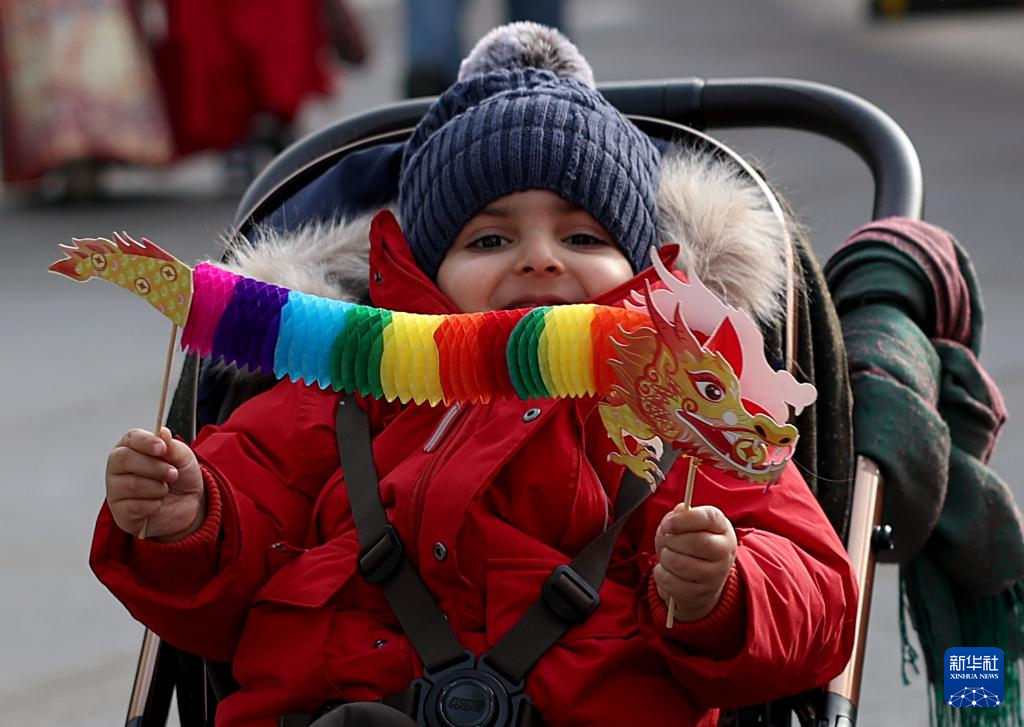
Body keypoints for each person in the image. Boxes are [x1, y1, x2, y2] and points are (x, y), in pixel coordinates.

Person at [91, 23, 858, 727]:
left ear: (640, 269)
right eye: (490, 240)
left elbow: (816, 591)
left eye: (582, 237)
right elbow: (234, 550)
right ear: (425, 271)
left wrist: (722, 589)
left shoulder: (679, 404)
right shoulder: (339, 392)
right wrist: (187, 519)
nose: (540, 258)